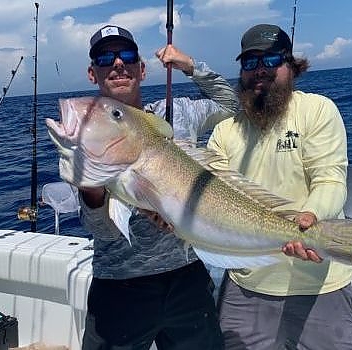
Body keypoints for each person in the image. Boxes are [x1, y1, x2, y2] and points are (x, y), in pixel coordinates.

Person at [207, 24, 352, 349]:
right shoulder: (223, 133)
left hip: (320, 283)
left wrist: (309, 217)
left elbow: (330, 180)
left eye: (270, 60)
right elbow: (210, 201)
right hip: (248, 284)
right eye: (250, 63)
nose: (260, 71)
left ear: (291, 66)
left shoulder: (317, 110)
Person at [78, 25, 238, 350]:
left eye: (126, 56)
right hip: (119, 284)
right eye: (106, 57)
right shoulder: (86, 134)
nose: (118, 63)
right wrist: (101, 194)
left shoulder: (177, 112)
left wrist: (191, 66)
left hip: (188, 277)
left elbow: (234, 105)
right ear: (93, 73)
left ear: (142, 68)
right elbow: (104, 231)